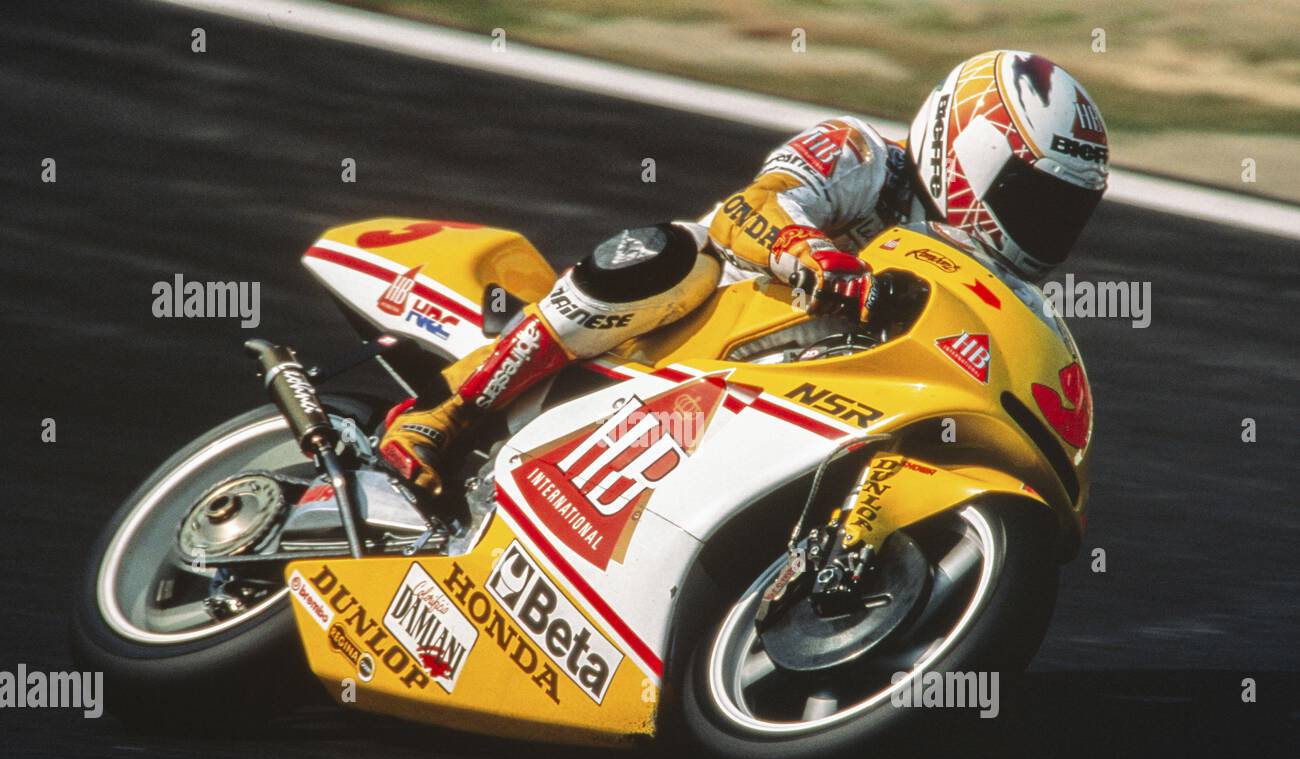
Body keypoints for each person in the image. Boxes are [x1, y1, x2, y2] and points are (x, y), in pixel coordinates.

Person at [379, 49, 1109, 494]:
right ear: (971, 154)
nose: (1046, 226)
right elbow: (746, 210)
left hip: (812, 388)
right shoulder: (863, 156)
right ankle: (445, 412)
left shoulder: (996, 282)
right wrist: (818, 254)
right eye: (1036, 198)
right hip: (711, 314)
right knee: (672, 257)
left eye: (1064, 213)